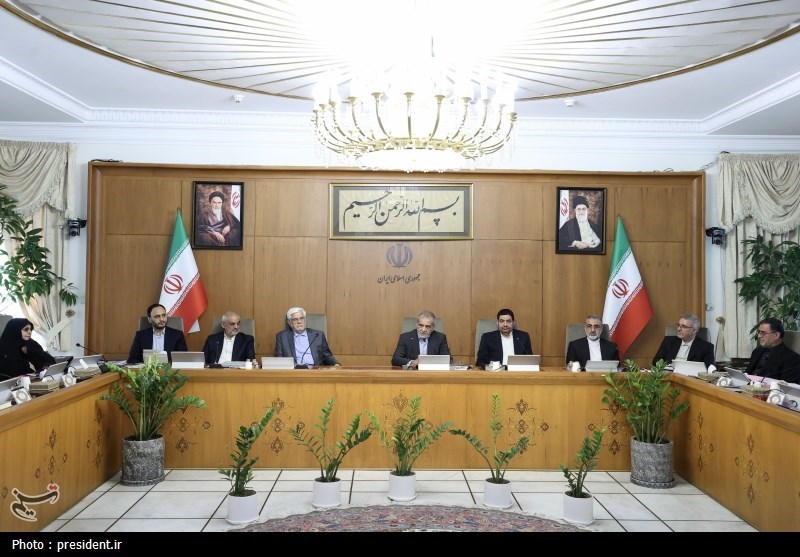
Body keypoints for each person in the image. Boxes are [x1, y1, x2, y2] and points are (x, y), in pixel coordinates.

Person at [274, 307, 339, 368]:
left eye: (301, 318)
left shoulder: (318, 335)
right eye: (295, 319)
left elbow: (327, 356)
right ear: (289, 322)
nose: (299, 322)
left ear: (305, 320)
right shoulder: (282, 337)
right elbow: (279, 359)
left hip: (315, 370)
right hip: (293, 371)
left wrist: (336, 364)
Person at [745, 317, 800, 383]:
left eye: (763, 333)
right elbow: (747, 374)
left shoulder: (792, 358)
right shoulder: (757, 352)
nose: (759, 336)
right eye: (759, 332)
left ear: (776, 335)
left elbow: (788, 385)